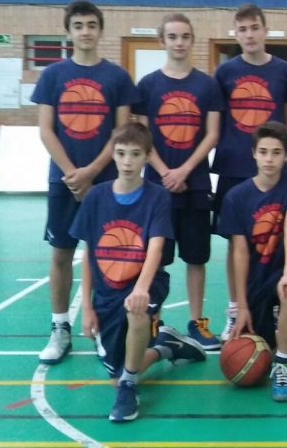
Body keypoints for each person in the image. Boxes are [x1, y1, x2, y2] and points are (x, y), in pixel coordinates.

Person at [70, 123, 206, 423]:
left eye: (135, 154)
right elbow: (89, 253)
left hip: (147, 282)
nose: (128, 161)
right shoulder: (96, 197)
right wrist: (87, 307)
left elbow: (156, 247)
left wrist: (141, 288)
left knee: (136, 314)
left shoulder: (157, 197)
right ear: (113, 155)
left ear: (146, 156)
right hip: (107, 292)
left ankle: (130, 387)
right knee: (114, 374)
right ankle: (167, 348)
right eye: (121, 153)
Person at [30, 0, 140, 365]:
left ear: (100, 30)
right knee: (61, 252)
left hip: (105, 182)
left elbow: (121, 133)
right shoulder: (53, 75)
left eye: (92, 25)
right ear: (69, 32)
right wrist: (72, 174)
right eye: (78, 26)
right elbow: (46, 130)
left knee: (103, 254)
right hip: (64, 181)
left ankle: (103, 326)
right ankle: (60, 327)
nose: (86, 32)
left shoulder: (117, 77)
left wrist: (91, 171)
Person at [133, 13, 223, 350]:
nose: (179, 42)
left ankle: (198, 323)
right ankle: (154, 323)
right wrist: (165, 172)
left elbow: (212, 134)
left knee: (196, 258)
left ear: (192, 40)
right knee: (156, 259)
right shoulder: (148, 85)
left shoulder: (207, 85)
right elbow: (142, 136)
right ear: (162, 41)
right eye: (172, 37)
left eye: (185, 36)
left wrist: (184, 170)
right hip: (157, 189)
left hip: (195, 184)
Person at [212, 3, 287, 342]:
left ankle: (274, 307)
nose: (249, 35)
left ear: (265, 30)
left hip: (273, 170)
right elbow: (217, 119)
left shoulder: (283, 71)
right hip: (234, 167)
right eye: (243, 29)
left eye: (254, 28)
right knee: (235, 244)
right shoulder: (225, 73)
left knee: (274, 240)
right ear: (236, 34)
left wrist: (279, 152)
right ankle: (236, 309)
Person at [219, 122, 287, 402]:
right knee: (257, 350)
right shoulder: (236, 197)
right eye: (263, 152)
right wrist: (241, 306)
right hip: (255, 275)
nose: (269, 159)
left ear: (285, 155)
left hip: (285, 266)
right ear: (253, 154)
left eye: (276, 152)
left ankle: (283, 364)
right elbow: (239, 253)